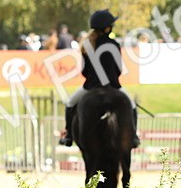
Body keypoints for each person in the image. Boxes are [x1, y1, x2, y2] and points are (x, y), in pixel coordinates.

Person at [58, 9, 139, 148]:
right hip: (113, 86)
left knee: (70, 104)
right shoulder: (114, 45)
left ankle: (69, 135)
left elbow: (84, 71)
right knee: (131, 106)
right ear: (107, 28)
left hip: (91, 86)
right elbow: (118, 69)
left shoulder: (88, 45)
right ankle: (133, 136)